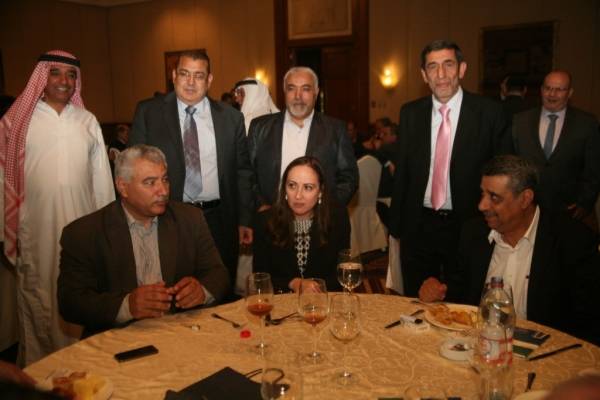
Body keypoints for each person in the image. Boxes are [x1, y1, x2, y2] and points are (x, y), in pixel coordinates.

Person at [0, 50, 115, 365]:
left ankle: (84, 365)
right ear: (42, 76)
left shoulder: (87, 121)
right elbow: (2, 178)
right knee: (40, 297)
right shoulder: (16, 122)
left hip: (82, 229)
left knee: (83, 295)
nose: (64, 81)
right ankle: (42, 371)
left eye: (71, 75)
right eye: (56, 73)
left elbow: (102, 182)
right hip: (35, 229)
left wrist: (108, 229)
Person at [419, 155, 600, 344]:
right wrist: (438, 291)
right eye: (482, 194)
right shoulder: (473, 233)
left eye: (494, 197)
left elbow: (589, 319)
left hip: (547, 351)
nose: (482, 205)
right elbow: (460, 291)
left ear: (525, 199)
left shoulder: (571, 240)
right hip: (479, 345)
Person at [58, 145, 229, 336]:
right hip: (118, 339)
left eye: (165, 179)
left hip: (181, 333)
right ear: (123, 187)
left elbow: (218, 273)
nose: (163, 191)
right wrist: (127, 306)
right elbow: (70, 303)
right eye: (150, 182)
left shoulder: (189, 219)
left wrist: (202, 291)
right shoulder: (84, 233)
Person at [389, 39, 512, 296]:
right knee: (416, 302)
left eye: (448, 64)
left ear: (462, 69)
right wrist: (396, 227)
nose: (441, 74)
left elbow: (504, 173)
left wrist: (499, 221)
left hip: (469, 224)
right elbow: (403, 173)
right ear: (424, 75)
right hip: (418, 225)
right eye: (432, 67)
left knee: (464, 302)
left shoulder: (490, 113)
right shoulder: (410, 113)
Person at [130, 50, 254, 290]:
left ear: (209, 80)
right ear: (174, 76)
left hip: (219, 219)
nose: (190, 82)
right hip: (167, 217)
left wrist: (245, 219)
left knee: (219, 289)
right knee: (172, 291)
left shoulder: (231, 118)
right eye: (184, 74)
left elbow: (243, 172)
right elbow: (135, 168)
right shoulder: (149, 113)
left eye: (198, 76)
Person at [248, 66, 358, 210]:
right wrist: (261, 205)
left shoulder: (336, 130)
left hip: (320, 219)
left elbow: (349, 178)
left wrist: (326, 210)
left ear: (316, 92)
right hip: (270, 216)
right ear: (284, 91)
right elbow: (247, 174)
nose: (298, 96)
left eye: (305, 89)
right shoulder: (260, 127)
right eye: (291, 88)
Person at [513, 70, 600, 224]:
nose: (552, 94)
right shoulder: (520, 121)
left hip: (569, 210)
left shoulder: (587, 124)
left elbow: (593, 168)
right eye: (548, 88)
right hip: (527, 208)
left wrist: (585, 202)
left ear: (570, 93)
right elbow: (512, 162)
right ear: (541, 90)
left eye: (559, 89)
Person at [253, 156, 349, 293]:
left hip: (324, 300)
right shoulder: (264, 221)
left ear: (320, 191)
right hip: (281, 301)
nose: (298, 196)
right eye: (292, 185)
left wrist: (315, 288)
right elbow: (260, 278)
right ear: (284, 188)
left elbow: (342, 273)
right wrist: (293, 283)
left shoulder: (338, 219)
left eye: (308, 187)